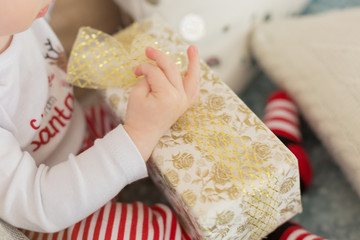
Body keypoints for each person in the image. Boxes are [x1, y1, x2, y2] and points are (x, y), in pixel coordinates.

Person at [0, 0, 199, 239]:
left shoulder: (18, 20)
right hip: (48, 211)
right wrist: (139, 134)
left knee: (173, 124)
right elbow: (37, 203)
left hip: (78, 130)